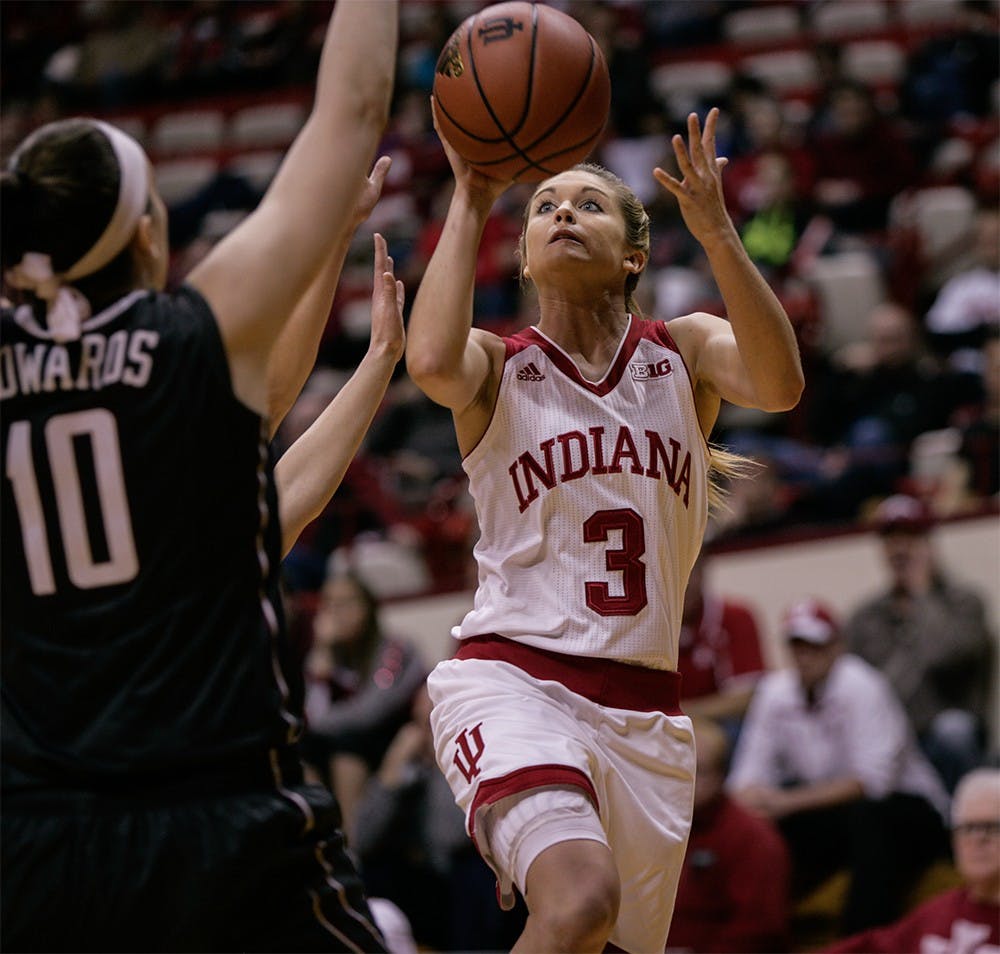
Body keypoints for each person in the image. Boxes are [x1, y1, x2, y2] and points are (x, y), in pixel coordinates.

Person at [1, 2, 399, 950]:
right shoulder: (192, 339)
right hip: (217, 820)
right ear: (149, 233)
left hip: (36, 842)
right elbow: (352, 106)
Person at [404, 104, 804, 953]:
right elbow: (430, 363)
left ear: (632, 254)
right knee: (578, 902)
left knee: (597, 942)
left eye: (586, 204)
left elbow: (779, 384)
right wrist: (472, 198)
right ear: (522, 255)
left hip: (648, 714)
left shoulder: (683, 351)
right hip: (517, 679)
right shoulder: (498, 365)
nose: (560, 214)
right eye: (544, 205)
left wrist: (720, 234)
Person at [728, 599, 952, 935]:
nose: (805, 655)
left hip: (910, 810)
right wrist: (755, 804)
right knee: (752, 828)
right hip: (838, 813)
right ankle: (755, 934)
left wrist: (784, 802)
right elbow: (746, 776)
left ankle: (861, 938)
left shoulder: (862, 685)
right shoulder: (775, 692)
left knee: (872, 819)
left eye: (814, 646)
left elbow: (873, 782)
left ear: (836, 646)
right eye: (797, 645)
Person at [844, 494, 995, 792]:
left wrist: (922, 594)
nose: (900, 549)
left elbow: (945, 656)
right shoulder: (865, 617)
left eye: (910, 538)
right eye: (891, 540)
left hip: (942, 737)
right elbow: (854, 689)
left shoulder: (964, 603)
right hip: (887, 742)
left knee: (954, 731)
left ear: (930, 545)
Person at [302, 570, 427, 842]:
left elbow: (372, 711)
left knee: (347, 749)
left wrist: (318, 723)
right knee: (303, 751)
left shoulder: (394, 649)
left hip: (400, 739)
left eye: (346, 603)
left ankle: (351, 846)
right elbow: (311, 715)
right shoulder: (329, 654)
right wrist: (321, 656)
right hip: (350, 738)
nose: (337, 612)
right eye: (329, 604)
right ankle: (321, 842)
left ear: (368, 607)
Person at [823, 767, 1000, 954]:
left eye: (992, 827)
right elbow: (872, 947)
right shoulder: (940, 911)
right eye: (967, 827)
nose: (978, 839)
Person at [666, 717, 791, 954]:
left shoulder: (752, 838)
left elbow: (761, 931)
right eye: (676, 768)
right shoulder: (649, 827)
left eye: (698, 771)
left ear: (721, 777)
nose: (685, 780)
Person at [677, 552, 767, 732]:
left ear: (703, 571)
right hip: (665, 725)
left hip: (721, 724)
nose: (683, 584)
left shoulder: (735, 616)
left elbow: (747, 697)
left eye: (689, 571)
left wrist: (682, 713)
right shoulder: (643, 626)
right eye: (674, 574)